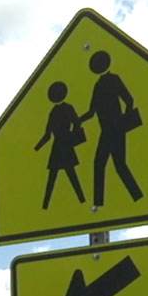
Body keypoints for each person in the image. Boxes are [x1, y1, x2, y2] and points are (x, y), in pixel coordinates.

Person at [78, 50, 143, 207]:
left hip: (116, 130)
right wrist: (79, 121)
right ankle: (99, 203)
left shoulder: (114, 79)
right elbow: (92, 111)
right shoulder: (98, 85)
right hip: (106, 131)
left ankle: (137, 197)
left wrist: (124, 121)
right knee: (103, 164)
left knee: (117, 165)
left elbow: (129, 100)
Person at [33, 80, 86, 209]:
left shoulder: (58, 111)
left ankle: (82, 201)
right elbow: (48, 134)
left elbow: (48, 135)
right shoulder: (60, 110)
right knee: (60, 176)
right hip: (62, 146)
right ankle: (46, 206)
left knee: (67, 175)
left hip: (61, 146)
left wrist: (37, 148)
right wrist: (35, 149)